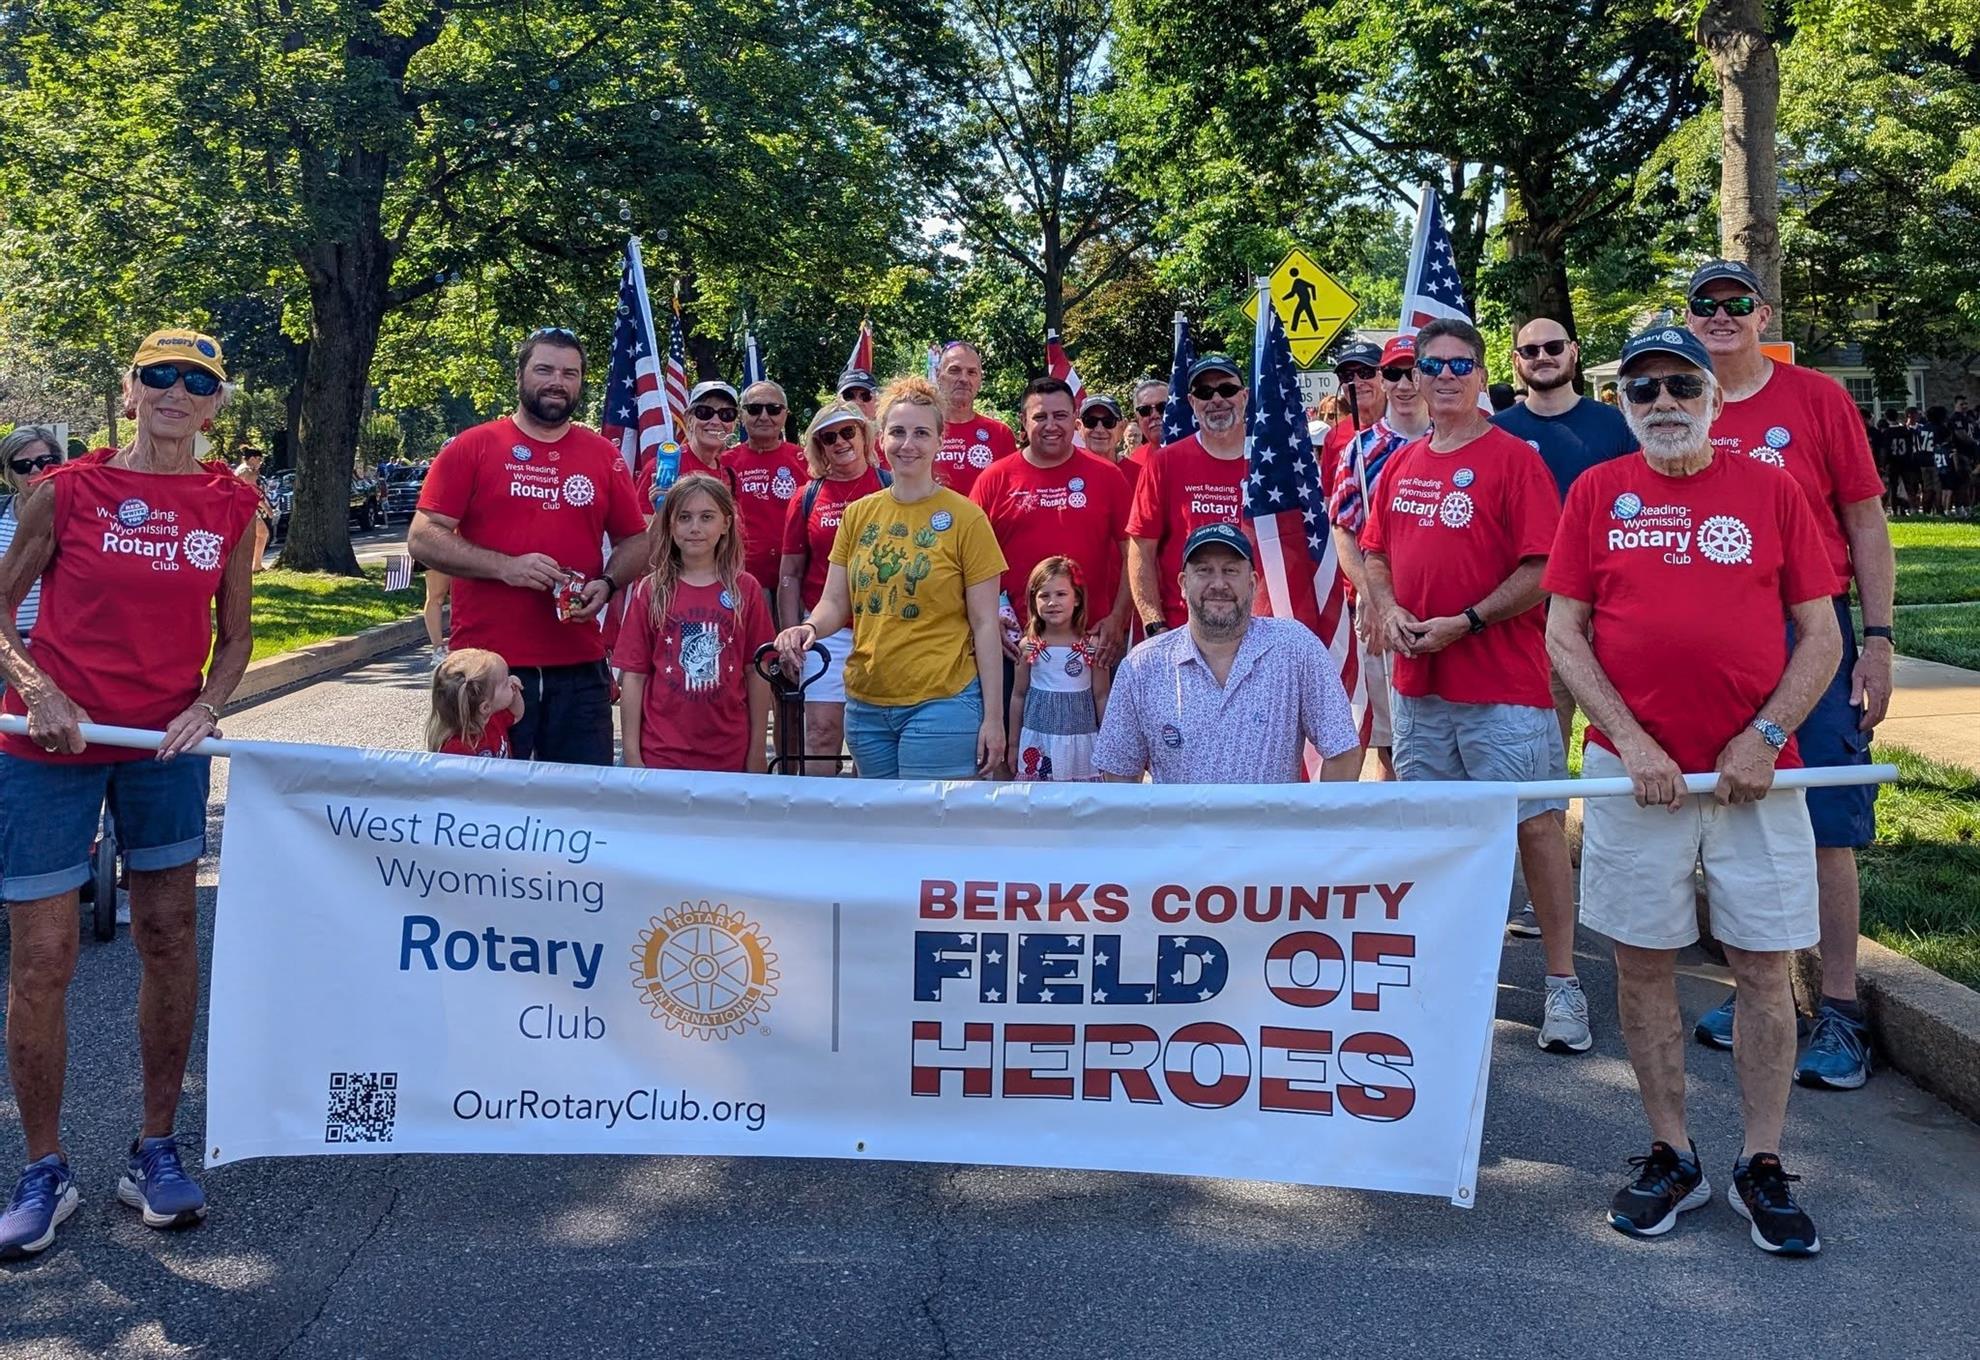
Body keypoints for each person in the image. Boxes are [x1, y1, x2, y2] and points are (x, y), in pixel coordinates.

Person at [1546, 325, 1840, 1255]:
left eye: (1683, 385)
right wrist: (1629, 742)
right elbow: (1565, 635)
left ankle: (1762, 1162)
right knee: (1641, 964)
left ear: (1716, 400)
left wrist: (1764, 736)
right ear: (1626, 407)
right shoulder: (1596, 493)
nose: (1664, 402)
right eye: (1644, 391)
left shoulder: (1773, 490)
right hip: (1639, 779)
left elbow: (1821, 635)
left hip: (1757, 779)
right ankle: (1672, 1152)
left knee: (1761, 965)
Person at [0, 328, 263, 1257]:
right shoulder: (64, 491)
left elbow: (234, 634)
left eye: (198, 381)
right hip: (47, 745)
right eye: (159, 376)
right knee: (42, 958)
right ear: (130, 390)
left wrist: (207, 704)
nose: (176, 392)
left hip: (160, 748)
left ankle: (155, 1147)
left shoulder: (235, 501)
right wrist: (37, 689)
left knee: (168, 937)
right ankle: (43, 1167)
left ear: (216, 403)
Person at [1683, 259, 1895, 1089]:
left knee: (1829, 822)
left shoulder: (1817, 399)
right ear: (1691, 317)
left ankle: (1840, 1009)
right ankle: (1761, 988)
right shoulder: (1678, 403)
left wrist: (1876, 640)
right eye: (1708, 304)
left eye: (1738, 303)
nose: (1723, 316)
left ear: (1762, 313)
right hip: (1724, 644)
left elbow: (1866, 521)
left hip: (1814, 630)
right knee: (1739, 813)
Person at [1358, 316, 1591, 1054]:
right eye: (1434, 365)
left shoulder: (1512, 459)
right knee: (1436, 835)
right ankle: (1444, 975)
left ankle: (1562, 985)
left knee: (1536, 829)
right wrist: (1389, 607)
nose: (1448, 376)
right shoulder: (1401, 464)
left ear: (1483, 374)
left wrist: (1468, 620)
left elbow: (1541, 570)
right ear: (1418, 378)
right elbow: (1374, 553)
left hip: (1503, 687)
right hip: (1420, 688)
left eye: (1462, 364)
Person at [409, 328, 650, 765]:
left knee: (583, 802)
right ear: (520, 375)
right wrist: (505, 567)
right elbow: (422, 537)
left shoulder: (603, 455)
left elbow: (636, 540)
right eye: (544, 369)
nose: (557, 381)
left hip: (579, 661)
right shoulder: (474, 446)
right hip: (485, 671)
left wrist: (608, 583)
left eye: (569, 373)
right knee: (483, 808)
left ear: (580, 382)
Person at [774, 376, 1007, 780]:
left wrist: (994, 718)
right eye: (898, 432)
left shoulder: (966, 518)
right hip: (866, 707)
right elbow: (835, 602)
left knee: (927, 834)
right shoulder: (859, 514)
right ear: (881, 440)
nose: (908, 444)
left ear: (939, 442)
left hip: (943, 700)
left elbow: (986, 624)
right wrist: (807, 628)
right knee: (883, 835)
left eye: (921, 433)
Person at [1096, 523, 1360, 784]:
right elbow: (1119, 771)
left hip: (1270, 828)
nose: (1218, 583)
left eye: (1231, 570)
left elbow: (1343, 749)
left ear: (1253, 582)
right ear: (1183, 583)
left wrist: (1316, 825)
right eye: (1204, 571)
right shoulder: (1143, 666)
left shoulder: (1295, 648)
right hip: (1181, 828)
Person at [1494, 317, 1639, 756]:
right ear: (1516, 361)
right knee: (1540, 752)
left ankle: (1617, 826)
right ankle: (1553, 822)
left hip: (1608, 610)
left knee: (1625, 739)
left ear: (1574, 352)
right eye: (1531, 350)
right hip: (1529, 615)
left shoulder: (1618, 425)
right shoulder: (1498, 432)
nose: (1543, 357)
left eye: (1553, 347)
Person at [614, 474, 773, 773]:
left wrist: (756, 753)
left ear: (726, 524)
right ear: (670, 525)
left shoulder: (745, 589)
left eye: (707, 517)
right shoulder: (652, 590)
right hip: (662, 754)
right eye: (684, 518)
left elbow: (756, 672)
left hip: (729, 753)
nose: (695, 528)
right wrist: (632, 755)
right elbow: (634, 676)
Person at [970, 378, 1133, 667]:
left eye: (1060, 416)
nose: (1051, 425)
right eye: (1040, 416)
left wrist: (1118, 618)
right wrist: (985, 618)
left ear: (1075, 419)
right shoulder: (994, 479)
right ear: (1023, 420)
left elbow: (1133, 555)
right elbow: (967, 561)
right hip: (1014, 642)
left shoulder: (1107, 476)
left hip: (1091, 640)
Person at [1328, 335, 1431, 782]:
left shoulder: (1457, 439)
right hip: (1380, 609)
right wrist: (1373, 597)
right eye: (1393, 374)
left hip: (1442, 608)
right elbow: (1343, 531)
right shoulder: (1360, 448)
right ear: (1383, 381)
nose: (1405, 384)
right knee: (1390, 737)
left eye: (1413, 372)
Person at [778, 402, 887, 775]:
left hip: (884, 628)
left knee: (871, 740)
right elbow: (790, 572)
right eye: (829, 437)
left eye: (847, 432)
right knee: (821, 732)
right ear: (819, 447)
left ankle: (867, 825)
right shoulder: (806, 496)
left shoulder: (890, 486)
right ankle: (818, 824)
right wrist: (790, 634)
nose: (840, 442)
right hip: (826, 630)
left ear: (864, 435)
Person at [1126, 355, 1249, 633]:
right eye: (1204, 393)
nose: (1216, 399)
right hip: (1183, 629)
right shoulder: (1165, 463)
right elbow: (1141, 549)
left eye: (1227, 389)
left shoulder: (1270, 465)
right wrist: (1153, 622)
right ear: (1192, 403)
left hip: (1259, 627)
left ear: (1244, 396)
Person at [1008, 556, 1110, 782]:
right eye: (1044, 595)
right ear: (1034, 601)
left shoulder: (1090, 647)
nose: (1052, 602)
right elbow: (1018, 695)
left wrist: (1108, 745)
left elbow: (1102, 696)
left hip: (1081, 742)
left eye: (1061, 594)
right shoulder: (1028, 646)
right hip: (1039, 741)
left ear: (1077, 599)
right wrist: (1013, 744)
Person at [722, 379, 807, 612]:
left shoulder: (806, 460)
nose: (764, 416)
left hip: (797, 580)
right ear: (742, 415)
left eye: (773, 409)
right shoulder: (725, 462)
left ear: (785, 414)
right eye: (754, 409)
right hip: (743, 578)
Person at [0, 427, 64, 648]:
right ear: (8, 472)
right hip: (6, 647)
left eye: (45, 461)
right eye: (22, 465)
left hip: (57, 649)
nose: (35, 470)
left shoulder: (77, 515)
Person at [932, 342, 1017, 494]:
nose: (964, 379)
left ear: (980, 379)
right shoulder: (919, 431)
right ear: (938, 375)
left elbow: (1009, 492)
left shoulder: (1001, 434)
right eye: (954, 370)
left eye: (971, 372)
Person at [427, 647, 524, 758]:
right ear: (485, 707)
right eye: (506, 682)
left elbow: (517, 715)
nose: (511, 681)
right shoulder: (457, 750)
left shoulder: (493, 718)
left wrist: (515, 693)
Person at [1321, 341, 1385, 505]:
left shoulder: (1408, 426)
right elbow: (1329, 500)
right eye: (1347, 376)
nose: (1356, 382)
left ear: (1384, 375)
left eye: (1366, 372)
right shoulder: (1334, 437)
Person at [232, 446, 274, 572]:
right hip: (244, 509)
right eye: (259, 459)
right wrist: (268, 509)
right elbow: (254, 493)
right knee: (261, 534)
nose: (261, 462)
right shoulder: (248, 472)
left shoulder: (242, 469)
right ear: (252, 458)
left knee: (260, 534)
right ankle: (255, 566)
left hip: (241, 508)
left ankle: (256, 565)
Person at [422, 567, 452, 668]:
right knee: (436, 595)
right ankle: (438, 649)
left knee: (463, 593)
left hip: (471, 551)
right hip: (439, 552)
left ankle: (460, 640)